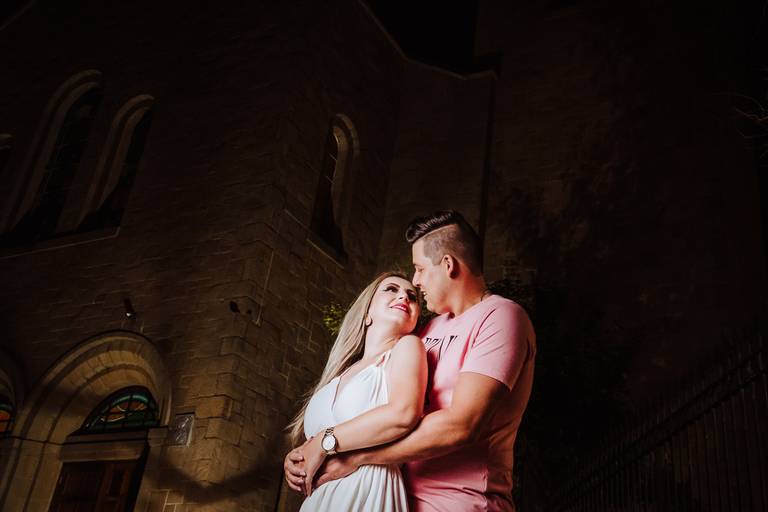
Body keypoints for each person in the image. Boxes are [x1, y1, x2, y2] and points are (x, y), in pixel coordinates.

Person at [285, 210, 537, 512]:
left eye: (419, 269)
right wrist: (307, 451)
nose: (415, 282)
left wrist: (354, 456)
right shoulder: (426, 331)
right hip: (395, 500)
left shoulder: (501, 317)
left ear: (448, 265)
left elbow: (462, 424)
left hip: (463, 504)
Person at [285, 271, 428, 511]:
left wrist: (324, 441)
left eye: (412, 296)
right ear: (367, 312)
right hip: (319, 501)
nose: (404, 296)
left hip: (369, 490)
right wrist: (296, 460)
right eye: (391, 289)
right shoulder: (337, 375)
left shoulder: (407, 347)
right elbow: (313, 446)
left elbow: (403, 413)